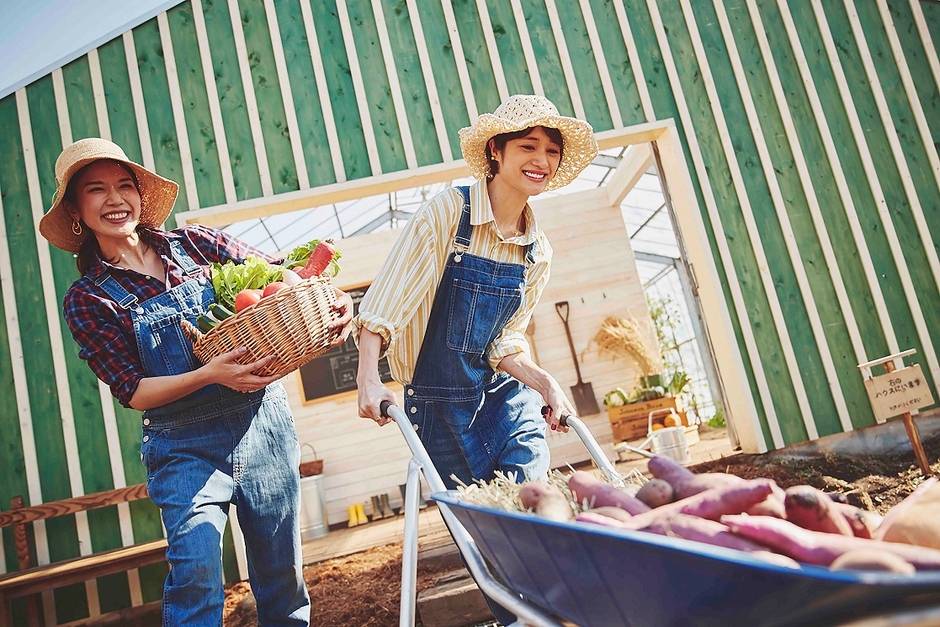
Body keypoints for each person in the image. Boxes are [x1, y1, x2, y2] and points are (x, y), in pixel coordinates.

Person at [39, 137, 353, 627]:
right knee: (196, 567)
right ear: (77, 211)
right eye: (96, 190)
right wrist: (209, 374)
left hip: (263, 426)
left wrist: (334, 301)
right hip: (183, 444)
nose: (115, 199)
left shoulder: (195, 244)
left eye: (125, 185)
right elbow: (133, 391)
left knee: (280, 572)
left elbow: (282, 280)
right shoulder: (87, 298)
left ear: (142, 198)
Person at [355, 94, 598, 489]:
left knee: (534, 501)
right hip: (438, 409)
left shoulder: (537, 251)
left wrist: (547, 385)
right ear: (495, 151)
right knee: (483, 532)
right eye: (528, 146)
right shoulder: (450, 213)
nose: (542, 160)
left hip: (504, 400)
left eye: (552, 151)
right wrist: (368, 378)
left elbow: (505, 343)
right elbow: (386, 303)